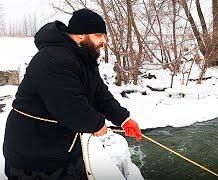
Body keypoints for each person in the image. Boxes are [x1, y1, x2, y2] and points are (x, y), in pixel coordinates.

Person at [3, 8, 142, 179]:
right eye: (99, 35)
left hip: (63, 148)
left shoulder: (84, 58)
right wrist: (97, 124)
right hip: (33, 154)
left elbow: (99, 94)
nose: (104, 41)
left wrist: (124, 119)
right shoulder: (52, 58)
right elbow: (69, 107)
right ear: (81, 34)